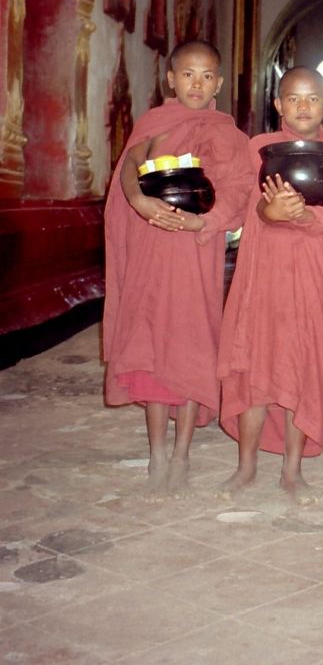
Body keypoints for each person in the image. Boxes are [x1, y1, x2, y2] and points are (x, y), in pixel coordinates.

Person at [103, 40, 254, 496]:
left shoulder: (226, 133)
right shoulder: (154, 122)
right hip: (150, 245)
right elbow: (131, 164)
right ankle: (157, 453)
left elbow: (240, 187)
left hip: (193, 249)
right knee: (150, 345)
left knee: (189, 345)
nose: (197, 84)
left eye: (207, 76)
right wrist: (138, 200)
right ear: (171, 79)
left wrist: (202, 221)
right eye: (188, 74)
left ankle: (182, 453)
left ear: (219, 84)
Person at [216, 66, 323, 503]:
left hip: (315, 272)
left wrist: (303, 216)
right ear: (278, 103)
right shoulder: (258, 149)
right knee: (254, 364)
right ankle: (245, 467)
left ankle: (293, 472)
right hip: (264, 273)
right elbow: (246, 205)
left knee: (304, 364)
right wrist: (268, 213)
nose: (303, 106)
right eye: (293, 98)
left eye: (312, 98)